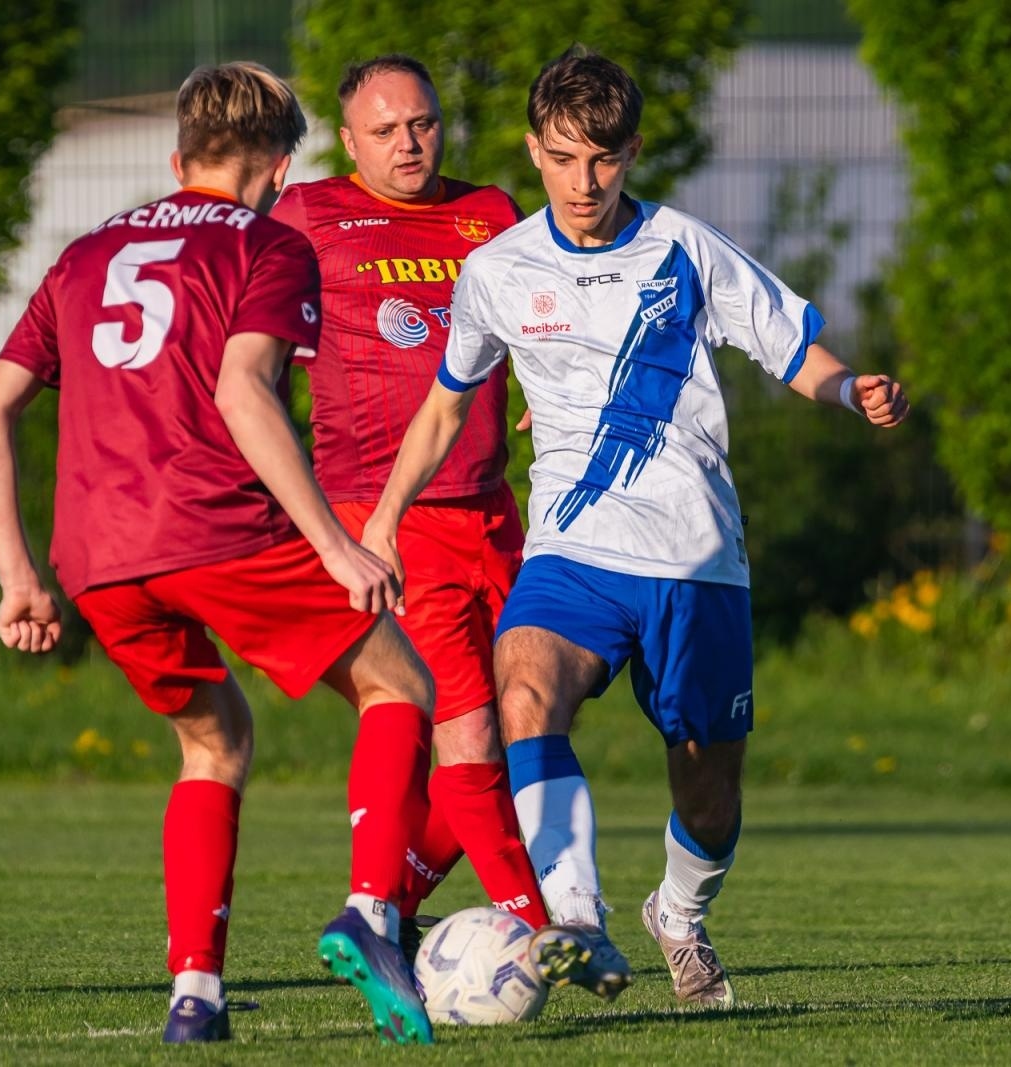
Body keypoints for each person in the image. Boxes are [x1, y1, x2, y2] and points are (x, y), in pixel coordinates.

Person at [363, 48, 910, 1008]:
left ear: (633, 153)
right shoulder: (496, 270)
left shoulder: (685, 250)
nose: (586, 182)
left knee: (707, 782)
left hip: (695, 555)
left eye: (605, 160)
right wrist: (382, 517)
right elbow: (448, 404)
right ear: (536, 150)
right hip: (573, 548)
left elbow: (792, 348)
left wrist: (846, 388)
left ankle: (680, 915)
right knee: (523, 685)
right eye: (567, 158)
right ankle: (576, 921)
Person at [0, 62, 435, 1045]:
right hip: (214, 524)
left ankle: (196, 996)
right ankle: (373, 913)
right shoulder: (271, 242)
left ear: (179, 158)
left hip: (97, 555)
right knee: (402, 688)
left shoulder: (86, 253)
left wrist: (18, 573)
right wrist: (338, 545)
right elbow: (242, 393)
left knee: (213, 738)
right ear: (278, 160)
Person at [269, 54, 548, 951]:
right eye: (385, 130)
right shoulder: (308, 216)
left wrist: (545, 378)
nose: (408, 143)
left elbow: (538, 316)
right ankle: (543, 929)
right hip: (384, 517)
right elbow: (249, 350)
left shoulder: (493, 213)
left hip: (494, 509)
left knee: (522, 720)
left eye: (421, 123)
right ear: (348, 142)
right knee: (463, 731)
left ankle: (381, 908)